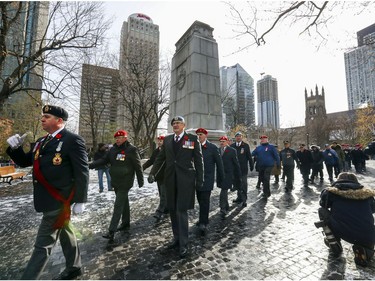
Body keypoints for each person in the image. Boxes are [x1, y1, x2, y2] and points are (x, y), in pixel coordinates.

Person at [6, 105, 89, 280]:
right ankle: (74, 267)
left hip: (58, 201)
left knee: (42, 246)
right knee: (66, 232)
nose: (42, 119)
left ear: (59, 121)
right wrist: (15, 149)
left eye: (47, 116)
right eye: (43, 116)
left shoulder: (72, 140)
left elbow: (82, 171)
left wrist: (81, 199)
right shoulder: (41, 142)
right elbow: (25, 162)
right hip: (46, 198)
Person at [148, 116, 203, 259]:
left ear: (184, 125)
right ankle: (176, 238)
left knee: (181, 210)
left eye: (178, 123)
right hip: (170, 179)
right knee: (172, 209)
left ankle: (184, 243)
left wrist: (200, 179)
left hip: (186, 180)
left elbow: (198, 160)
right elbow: (161, 158)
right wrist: (153, 173)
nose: (175, 125)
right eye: (173, 123)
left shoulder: (192, 138)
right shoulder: (167, 140)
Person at [89, 130, 144, 242]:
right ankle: (125, 223)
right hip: (115, 181)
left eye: (120, 138)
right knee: (124, 202)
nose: (117, 140)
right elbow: (104, 160)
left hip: (125, 181)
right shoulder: (112, 150)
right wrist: (91, 165)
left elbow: (138, 165)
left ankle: (111, 231)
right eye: (116, 138)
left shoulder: (131, 149)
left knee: (118, 205)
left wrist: (140, 180)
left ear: (125, 138)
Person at [317, 172, 375, 266]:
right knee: (367, 238)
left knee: (322, 211)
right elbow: (372, 209)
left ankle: (333, 241)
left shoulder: (330, 192)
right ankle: (364, 251)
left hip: (341, 230)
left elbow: (323, 204)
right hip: (367, 233)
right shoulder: (368, 195)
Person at [195, 128, 224, 234]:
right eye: (197, 134)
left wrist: (221, 177)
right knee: (199, 200)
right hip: (196, 179)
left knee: (205, 201)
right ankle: (202, 219)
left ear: (206, 136)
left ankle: (204, 222)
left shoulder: (212, 147)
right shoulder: (193, 146)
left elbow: (219, 163)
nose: (199, 136)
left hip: (207, 179)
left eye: (201, 134)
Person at [142, 135, 168, 222]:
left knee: (164, 195)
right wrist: (143, 167)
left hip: (166, 176)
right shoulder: (156, 151)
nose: (159, 142)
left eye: (161, 140)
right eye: (158, 140)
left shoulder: (168, 151)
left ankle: (159, 212)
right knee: (162, 194)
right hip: (158, 176)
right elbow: (151, 161)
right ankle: (166, 210)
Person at [218, 136, 241, 219]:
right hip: (220, 175)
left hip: (228, 174)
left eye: (223, 141)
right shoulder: (217, 150)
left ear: (227, 142)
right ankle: (226, 206)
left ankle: (222, 208)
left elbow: (236, 163)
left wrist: (238, 175)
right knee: (224, 189)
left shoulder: (232, 151)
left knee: (223, 190)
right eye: (220, 141)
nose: (222, 143)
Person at [230, 131, 254, 207]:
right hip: (235, 170)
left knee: (243, 185)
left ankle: (244, 200)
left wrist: (251, 165)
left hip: (243, 169)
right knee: (237, 184)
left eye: (240, 136)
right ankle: (239, 198)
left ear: (241, 137)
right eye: (237, 136)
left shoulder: (246, 146)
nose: (238, 137)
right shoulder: (232, 146)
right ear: (235, 138)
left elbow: (249, 157)